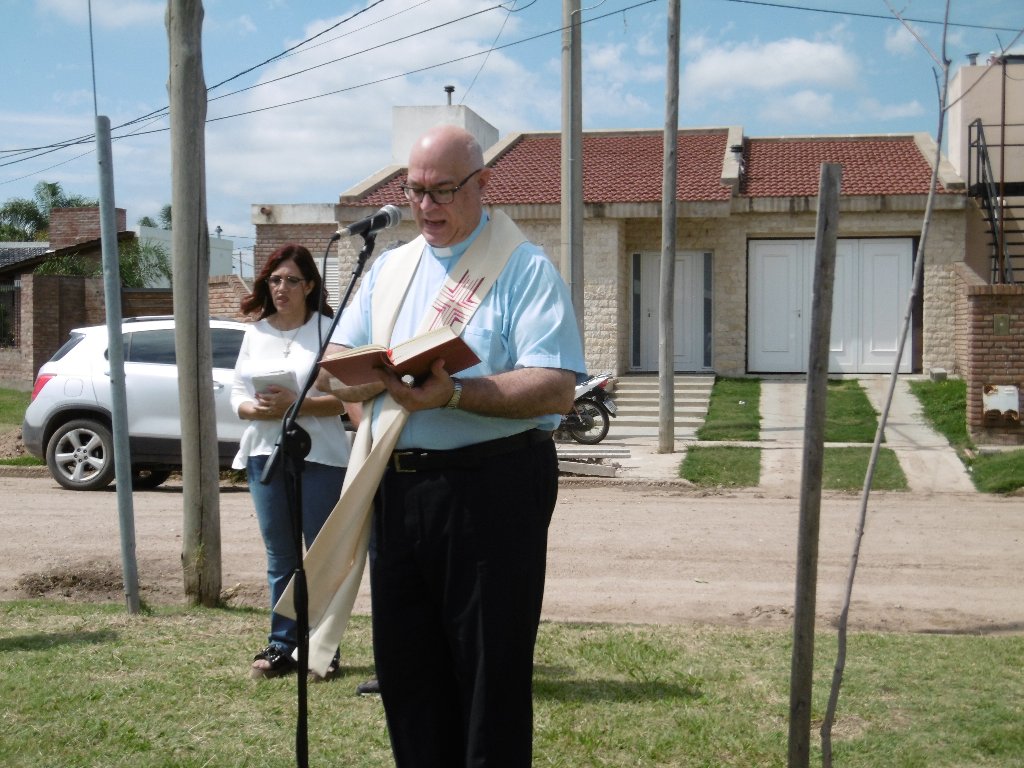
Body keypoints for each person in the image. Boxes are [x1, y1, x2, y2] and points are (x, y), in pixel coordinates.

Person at [326, 125, 586, 766]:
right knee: (408, 671)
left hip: (490, 488)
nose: (426, 206)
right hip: (398, 483)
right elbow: (335, 358)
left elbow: (554, 387)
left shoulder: (522, 267)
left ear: (483, 184)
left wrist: (455, 395)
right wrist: (362, 394)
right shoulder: (389, 267)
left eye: (443, 190)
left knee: (487, 677)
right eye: (415, 191)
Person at [231, 243, 353, 681]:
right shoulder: (256, 332)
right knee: (281, 555)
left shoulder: (330, 330)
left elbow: (346, 400)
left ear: (310, 286)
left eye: (291, 280)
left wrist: (295, 406)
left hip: (321, 455)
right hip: (266, 453)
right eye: (275, 280)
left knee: (320, 555)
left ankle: (322, 647)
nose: (281, 288)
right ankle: (283, 644)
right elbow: (237, 398)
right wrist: (256, 411)